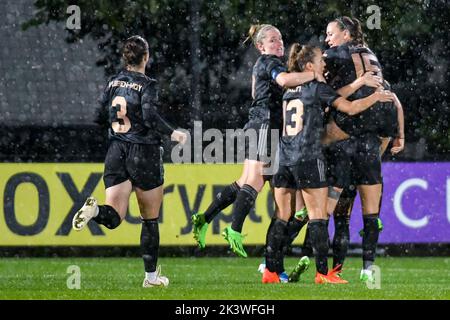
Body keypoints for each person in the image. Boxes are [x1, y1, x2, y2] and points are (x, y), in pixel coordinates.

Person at [263, 43, 395, 284]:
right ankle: (323, 274)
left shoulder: (289, 90)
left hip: (284, 159)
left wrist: (355, 84)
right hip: (307, 158)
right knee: (318, 218)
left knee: (282, 216)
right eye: (320, 61)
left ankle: (271, 270)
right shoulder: (317, 88)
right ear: (310, 65)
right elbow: (350, 107)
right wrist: (376, 96)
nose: (325, 64)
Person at [191, 24, 318, 257]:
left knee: (244, 182)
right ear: (260, 47)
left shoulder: (265, 64)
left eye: (280, 39)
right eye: (272, 40)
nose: (278, 43)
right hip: (265, 125)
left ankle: (204, 218)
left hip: (259, 124)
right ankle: (235, 230)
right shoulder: (270, 63)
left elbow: (256, 93)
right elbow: (282, 81)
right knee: (256, 182)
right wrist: (313, 75)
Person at [71, 35, 187, 288]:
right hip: (143, 153)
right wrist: (173, 132)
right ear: (146, 56)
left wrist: (117, 132)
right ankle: (151, 278)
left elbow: (98, 115)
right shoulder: (148, 84)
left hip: (116, 151)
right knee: (149, 219)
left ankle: (94, 211)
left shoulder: (112, 82)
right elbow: (149, 115)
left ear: (126, 57)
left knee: (113, 217)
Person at [323, 16, 405, 282]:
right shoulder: (370, 55)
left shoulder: (336, 53)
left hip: (351, 128)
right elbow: (393, 98)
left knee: (340, 212)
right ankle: (368, 268)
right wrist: (399, 135)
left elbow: (315, 71)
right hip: (377, 129)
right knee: (371, 212)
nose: (328, 39)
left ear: (346, 35)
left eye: (331, 33)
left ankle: (332, 268)